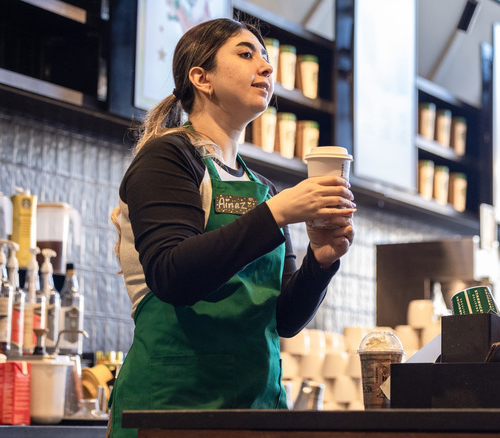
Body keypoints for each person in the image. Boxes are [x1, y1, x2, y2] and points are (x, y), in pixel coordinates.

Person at [107, 18, 355, 438]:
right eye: (246, 54)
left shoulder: (262, 188)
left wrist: (321, 261)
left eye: (266, 58)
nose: (266, 67)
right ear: (201, 78)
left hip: (257, 414)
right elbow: (173, 275)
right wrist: (274, 215)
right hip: (170, 413)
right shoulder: (167, 157)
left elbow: (285, 319)